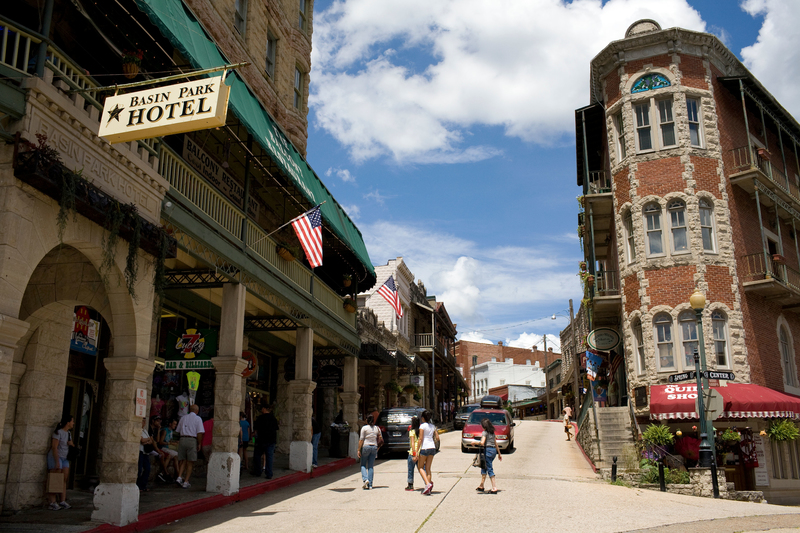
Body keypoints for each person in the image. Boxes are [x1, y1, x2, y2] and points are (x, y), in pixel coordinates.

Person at [46, 415, 74, 510]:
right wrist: (57, 460)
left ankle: (62, 500)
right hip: (56, 457)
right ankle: (52, 502)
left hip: (65, 457)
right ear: (68, 422)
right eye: (72, 421)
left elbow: (71, 444)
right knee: (55, 478)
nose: (73, 423)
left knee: (64, 478)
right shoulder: (58, 433)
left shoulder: (69, 433)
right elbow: (54, 447)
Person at [174, 404, 204, 489]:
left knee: (182, 460)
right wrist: (199, 443)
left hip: (182, 439)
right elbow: (199, 432)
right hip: (192, 440)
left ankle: (179, 477)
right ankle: (186, 481)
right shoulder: (198, 419)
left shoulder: (183, 418)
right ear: (197, 411)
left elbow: (178, 430)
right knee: (190, 462)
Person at [416, 410, 439, 495]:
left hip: (424, 448)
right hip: (432, 447)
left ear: (423, 418)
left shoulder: (422, 426)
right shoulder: (432, 426)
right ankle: (428, 488)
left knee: (420, 467)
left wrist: (417, 450)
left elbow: (420, 438)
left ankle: (427, 484)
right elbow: (437, 437)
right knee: (428, 468)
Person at [476, 418, 502, 493]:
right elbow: (496, 444)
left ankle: (494, 487)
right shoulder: (492, 433)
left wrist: (475, 443)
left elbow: (482, 443)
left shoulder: (484, 433)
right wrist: (499, 454)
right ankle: (481, 485)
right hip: (493, 451)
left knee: (489, 468)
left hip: (487, 451)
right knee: (484, 467)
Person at [253, 404, 278, 479]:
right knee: (269, 457)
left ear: (264, 409)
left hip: (261, 440)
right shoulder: (273, 418)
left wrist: (253, 438)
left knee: (257, 456)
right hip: (271, 440)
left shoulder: (260, 418)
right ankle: (269, 473)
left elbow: (256, 430)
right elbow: (276, 429)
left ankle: (258, 471)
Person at [357, 414, 381, 489]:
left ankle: (365, 479)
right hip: (374, 447)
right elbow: (380, 439)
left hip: (366, 446)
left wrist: (358, 449)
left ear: (367, 420)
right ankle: (370, 484)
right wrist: (378, 448)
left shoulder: (364, 428)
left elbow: (361, 440)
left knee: (363, 464)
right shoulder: (377, 428)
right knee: (371, 466)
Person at [137, 417, 155, 492]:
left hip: (146, 452)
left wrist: (146, 441)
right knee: (139, 469)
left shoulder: (145, 431)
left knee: (147, 469)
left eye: (144, 422)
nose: (144, 423)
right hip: (140, 451)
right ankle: (138, 485)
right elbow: (142, 440)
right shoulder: (139, 430)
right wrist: (147, 440)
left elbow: (150, 440)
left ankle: (143, 485)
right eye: (142, 421)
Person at [406, 416, 420, 491]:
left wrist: (414, 453)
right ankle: (427, 482)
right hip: (420, 451)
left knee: (410, 469)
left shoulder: (412, 431)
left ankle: (410, 485)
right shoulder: (420, 431)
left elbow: (412, 443)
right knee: (421, 468)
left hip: (413, 452)